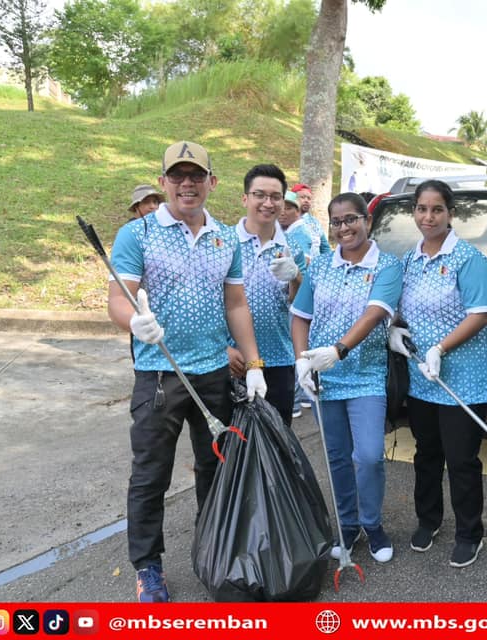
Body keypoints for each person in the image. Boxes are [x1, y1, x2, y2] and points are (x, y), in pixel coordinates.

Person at [108, 141, 267, 603]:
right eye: (176, 176)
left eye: (196, 175)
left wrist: (253, 363)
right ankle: (149, 567)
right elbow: (120, 296)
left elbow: (236, 303)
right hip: (160, 375)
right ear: (163, 184)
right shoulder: (136, 235)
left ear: (211, 183)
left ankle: (212, 549)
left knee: (214, 470)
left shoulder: (226, 238)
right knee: (150, 475)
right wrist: (132, 322)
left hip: (215, 374)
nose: (187, 184)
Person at [386, 180, 487, 568]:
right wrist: (394, 328)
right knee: (426, 453)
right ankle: (428, 520)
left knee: (462, 458)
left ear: (451, 213)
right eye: (421, 209)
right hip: (421, 378)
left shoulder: (469, 259)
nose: (428, 217)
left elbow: (482, 312)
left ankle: (470, 532)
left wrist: (440, 347)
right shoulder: (407, 261)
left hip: (461, 378)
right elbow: (397, 309)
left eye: (436, 209)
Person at [290, 192, 402, 564]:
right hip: (324, 379)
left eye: (351, 219)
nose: (344, 228)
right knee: (337, 456)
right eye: (336, 222)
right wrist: (301, 361)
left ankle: (373, 524)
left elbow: (375, 313)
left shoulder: (386, 265)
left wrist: (338, 350)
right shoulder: (321, 266)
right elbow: (300, 315)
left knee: (368, 456)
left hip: (365, 375)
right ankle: (347, 525)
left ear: (367, 221)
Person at [227, 164, 306, 427]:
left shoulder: (292, 245)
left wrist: (295, 276)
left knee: (278, 444)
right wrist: (223, 349)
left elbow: (301, 303)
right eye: (259, 195)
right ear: (245, 198)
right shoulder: (224, 242)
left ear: (283, 202)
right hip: (233, 360)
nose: (267, 203)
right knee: (231, 447)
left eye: (275, 197)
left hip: (279, 359)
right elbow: (211, 302)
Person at [278, 190, 317, 418]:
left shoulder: (297, 234)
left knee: (295, 345)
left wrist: (295, 273)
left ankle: (296, 400)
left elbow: (309, 260)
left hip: (299, 298)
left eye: (288, 207)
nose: (282, 211)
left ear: (297, 210)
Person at [290, 183, 331, 256]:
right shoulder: (284, 220)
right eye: (302, 197)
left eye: (309, 198)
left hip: (315, 265)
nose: (306, 200)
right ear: (293, 199)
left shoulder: (314, 222)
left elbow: (325, 248)